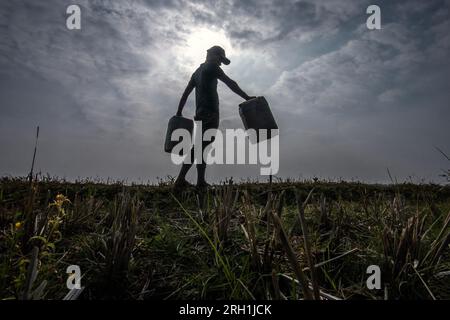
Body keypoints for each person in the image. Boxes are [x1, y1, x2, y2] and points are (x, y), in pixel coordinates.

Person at [174, 45, 254, 191]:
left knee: (200, 146)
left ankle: (198, 181)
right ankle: (185, 180)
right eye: (219, 59)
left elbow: (185, 94)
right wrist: (246, 97)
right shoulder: (211, 67)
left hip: (200, 114)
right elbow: (230, 83)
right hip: (210, 113)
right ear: (210, 55)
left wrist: (179, 111)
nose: (220, 63)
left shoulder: (197, 72)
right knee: (201, 147)